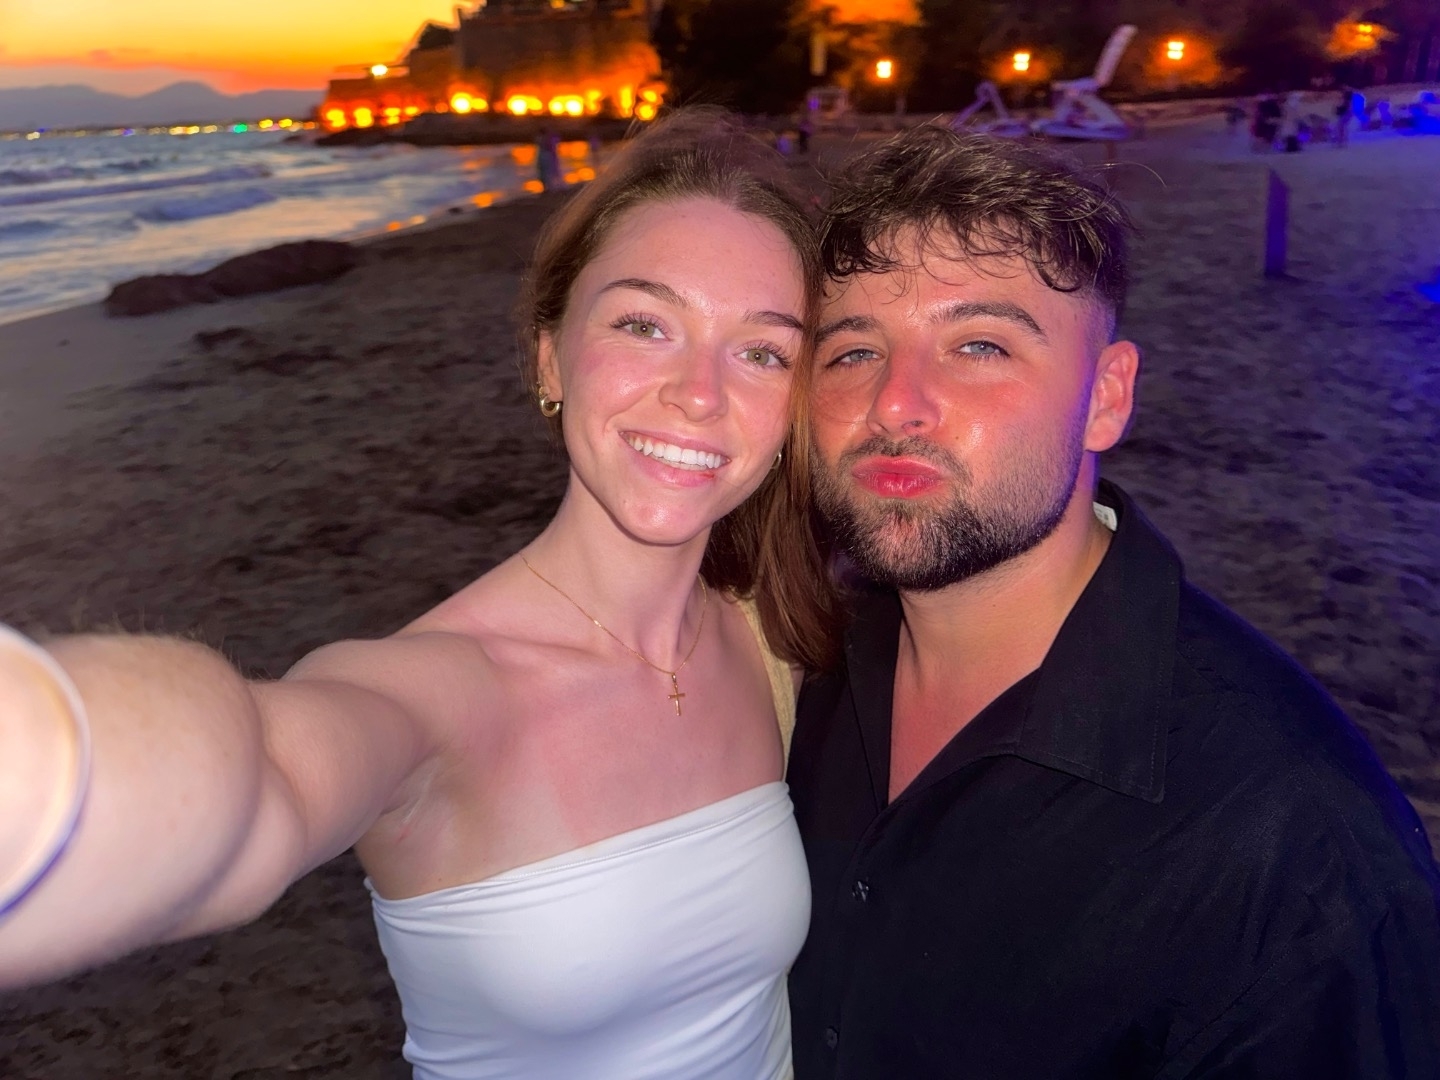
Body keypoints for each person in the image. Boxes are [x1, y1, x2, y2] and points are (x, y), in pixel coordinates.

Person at [0, 109, 839, 1079]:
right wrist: (53, 759)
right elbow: (261, 772)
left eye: (763, 351)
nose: (699, 392)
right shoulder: (428, 691)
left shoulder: (768, 641)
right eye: (644, 324)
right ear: (550, 357)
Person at [786, 125, 1440, 1078]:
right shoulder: (805, 670)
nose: (895, 402)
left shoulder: (1296, 852)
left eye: (978, 344)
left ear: (1105, 396)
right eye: (852, 352)